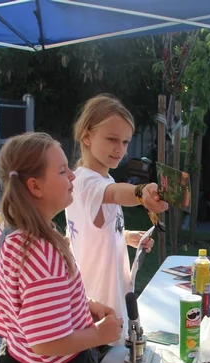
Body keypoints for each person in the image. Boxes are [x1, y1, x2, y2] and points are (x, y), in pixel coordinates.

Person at [0, 132, 124, 363]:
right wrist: (100, 334)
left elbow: (28, 304)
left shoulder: (9, 231)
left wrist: (84, 306)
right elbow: (46, 343)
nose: (72, 175)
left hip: (18, 361)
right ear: (34, 186)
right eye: (62, 171)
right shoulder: (41, 253)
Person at [66, 94, 168, 348]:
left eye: (125, 141)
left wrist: (125, 236)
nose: (120, 149)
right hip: (97, 307)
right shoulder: (87, 182)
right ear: (87, 136)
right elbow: (115, 194)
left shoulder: (99, 180)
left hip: (104, 301)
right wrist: (141, 193)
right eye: (112, 139)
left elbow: (87, 231)